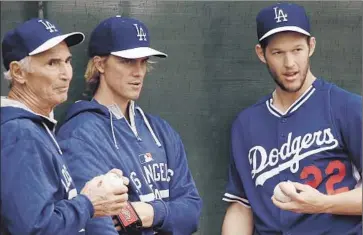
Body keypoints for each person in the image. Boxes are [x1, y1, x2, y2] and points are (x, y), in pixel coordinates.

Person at [221, 3, 362, 235]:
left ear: (311, 46)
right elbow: (241, 206)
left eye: (297, 50)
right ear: (261, 53)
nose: (290, 64)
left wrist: (323, 203)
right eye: (278, 52)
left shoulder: (347, 107)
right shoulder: (246, 124)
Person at [56, 16, 202, 235]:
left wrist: (150, 213)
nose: (139, 71)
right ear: (100, 64)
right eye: (127, 61)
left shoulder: (160, 131)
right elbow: (99, 222)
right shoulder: (80, 134)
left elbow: (191, 213)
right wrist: (140, 217)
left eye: (143, 61)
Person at [1, 18, 130, 235]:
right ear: (18, 72)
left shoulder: (33, 127)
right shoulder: (20, 133)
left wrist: (95, 192)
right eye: (52, 63)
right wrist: (89, 203)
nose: (66, 74)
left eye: (67, 61)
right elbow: (35, 229)